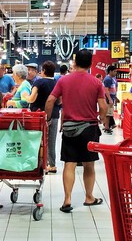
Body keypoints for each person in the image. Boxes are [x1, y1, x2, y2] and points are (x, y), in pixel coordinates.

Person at [45, 49, 106, 213]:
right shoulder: (96, 82)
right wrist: (102, 119)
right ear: (90, 64)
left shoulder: (64, 81)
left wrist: (48, 118)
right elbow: (104, 106)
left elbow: (51, 100)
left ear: (75, 62)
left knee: (69, 164)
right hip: (89, 128)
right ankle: (89, 197)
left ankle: (67, 199)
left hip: (69, 127)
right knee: (89, 165)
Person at [28, 60, 59, 174]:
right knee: (51, 141)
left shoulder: (39, 83)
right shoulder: (57, 83)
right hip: (54, 115)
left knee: (38, 139)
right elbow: (60, 100)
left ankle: (41, 164)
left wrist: (25, 96)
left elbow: (31, 98)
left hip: (38, 115)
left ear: (44, 71)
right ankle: (52, 165)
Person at [102, 65, 119, 134]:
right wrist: (109, 99)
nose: (116, 73)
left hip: (112, 98)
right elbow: (106, 90)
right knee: (108, 114)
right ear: (110, 71)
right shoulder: (107, 79)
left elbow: (113, 89)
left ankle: (107, 126)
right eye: (114, 71)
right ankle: (106, 127)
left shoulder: (113, 79)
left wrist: (115, 97)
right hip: (108, 99)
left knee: (110, 114)